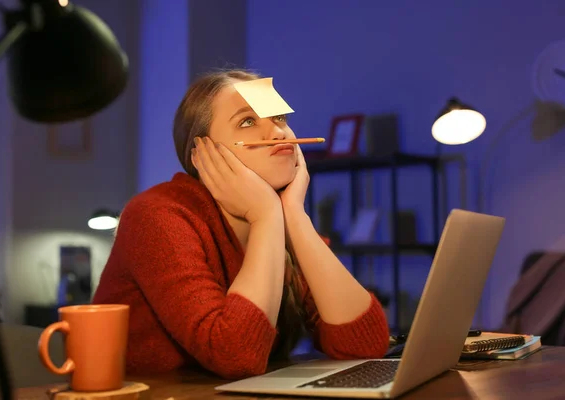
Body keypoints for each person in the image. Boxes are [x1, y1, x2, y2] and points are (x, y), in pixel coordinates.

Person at [92, 69, 390, 379]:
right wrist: (266, 217)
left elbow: (365, 345)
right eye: (247, 122)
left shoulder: (283, 214)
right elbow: (235, 356)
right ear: (203, 155)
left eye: (280, 119)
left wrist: (295, 217)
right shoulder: (157, 215)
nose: (280, 134)